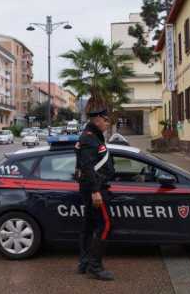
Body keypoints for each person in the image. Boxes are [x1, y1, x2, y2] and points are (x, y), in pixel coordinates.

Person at [75, 108, 115, 281]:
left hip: (92, 187)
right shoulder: (89, 138)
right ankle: (95, 266)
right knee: (106, 225)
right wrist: (96, 191)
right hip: (96, 189)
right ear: (98, 119)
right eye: (106, 120)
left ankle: (84, 263)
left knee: (89, 225)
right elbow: (87, 166)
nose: (107, 123)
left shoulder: (92, 135)